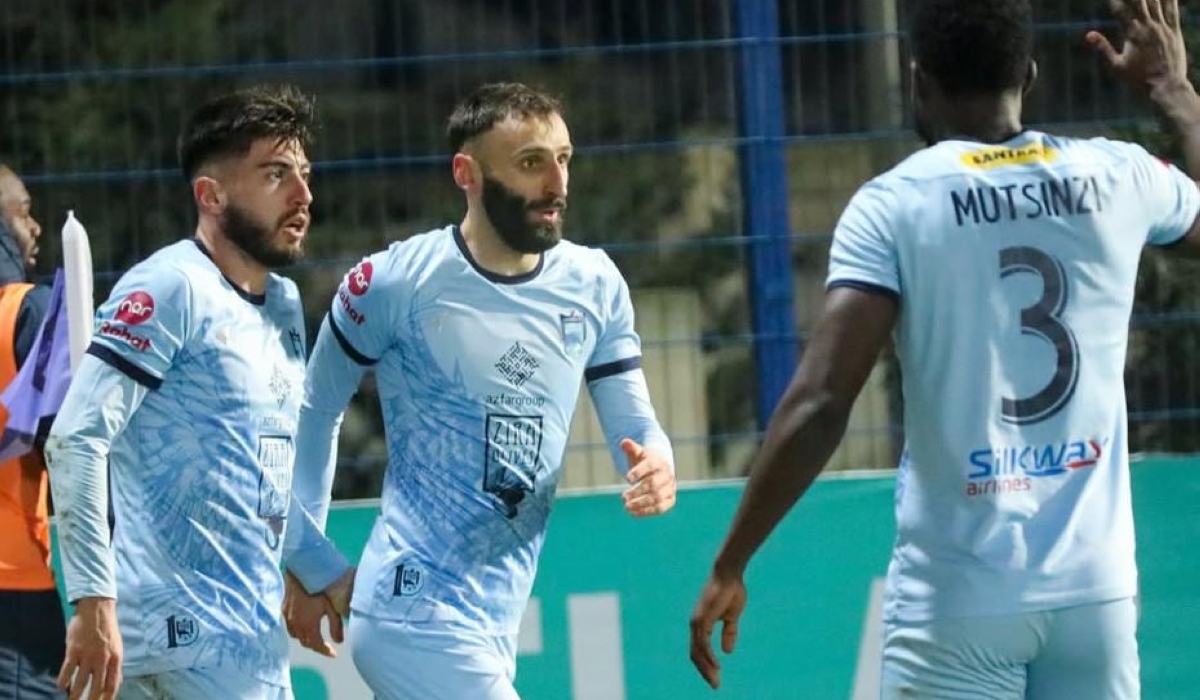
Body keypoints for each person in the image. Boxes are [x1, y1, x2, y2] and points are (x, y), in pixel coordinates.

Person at [688, 1, 1200, 697]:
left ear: (916, 79)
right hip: (1095, 592)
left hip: (958, 595)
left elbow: (822, 401)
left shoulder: (895, 205)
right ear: (1030, 72)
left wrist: (730, 561)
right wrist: (1177, 95)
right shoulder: (1118, 176)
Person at [281, 82, 679, 699]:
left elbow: (637, 427)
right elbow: (313, 411)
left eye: (563, 159)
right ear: (466, 173)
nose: (556, 183)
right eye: (530, 163)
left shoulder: (594, 283)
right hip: (410, 611)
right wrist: (308, 560)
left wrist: (658, 462)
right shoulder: (394, 282)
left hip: (492, 621)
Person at [45, 84, 318, 700]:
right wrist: (93, 602)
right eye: (276, 174)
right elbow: (76, 437)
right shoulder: (171, 287)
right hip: (174, 643)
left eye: (304, 173)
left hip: (246, 644)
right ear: (210, 195)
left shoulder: (284, 303)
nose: (303, 195)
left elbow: (260, 471)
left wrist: (318, 569)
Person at [0, 166, 65, 700]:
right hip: (14, 589)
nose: (37, 227)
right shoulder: (26, 311)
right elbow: (72, 448)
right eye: (23, 211)